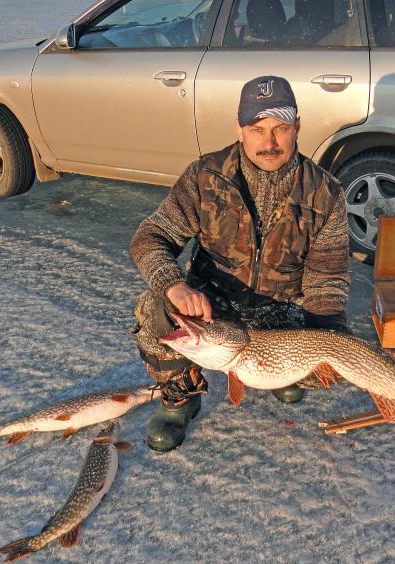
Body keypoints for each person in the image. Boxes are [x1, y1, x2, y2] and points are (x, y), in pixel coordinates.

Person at [129, 75, 350, 452]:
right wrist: (174, 284)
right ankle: (179, 397)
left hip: (282, 315)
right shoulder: (206, 176)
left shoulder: (325, 193)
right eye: (257, 128)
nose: (269, 142)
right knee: (154, 310)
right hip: (213, 308)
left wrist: (324, 343)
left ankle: (283, 375)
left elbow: (327, 281)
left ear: (297, 126)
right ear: (239, 128)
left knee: (330, 359)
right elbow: (150, 237)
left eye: (280, 128)